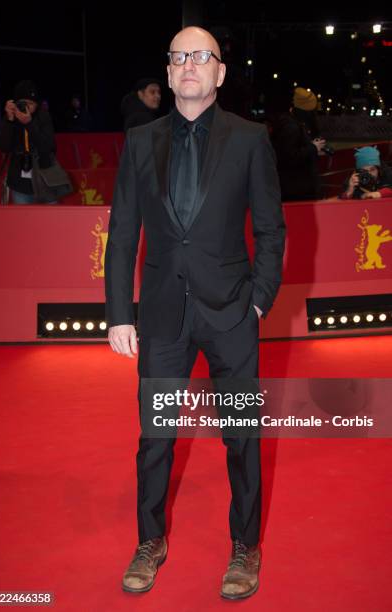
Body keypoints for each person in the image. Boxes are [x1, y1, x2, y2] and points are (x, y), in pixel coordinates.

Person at [105, 26, 285, 600]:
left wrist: (258, 299)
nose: (188, 65)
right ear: (168, 69)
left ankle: (245, 546)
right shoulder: (140, 140)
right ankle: (150, 540)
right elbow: (122, 232)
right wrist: (118, 314)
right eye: (179, 56)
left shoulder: (250, 138)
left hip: (232, 312)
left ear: (219, 72)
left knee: (241, 436)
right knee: (155, 436)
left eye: (200, 57)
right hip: (160, 316)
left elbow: (270, 229)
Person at [0, 80, 57, 204]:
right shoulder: (11, 118)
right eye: (22, 103)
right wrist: (9, 121)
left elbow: (48, 147)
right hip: (19, 183)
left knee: (50, 220)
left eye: (31, 103)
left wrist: (29, 124)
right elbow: (4, 146)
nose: (27, 107)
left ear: (37, 104)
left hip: (45, 180)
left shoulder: (43, 116)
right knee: (24, 221)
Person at [270, 86, 328, 201]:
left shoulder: (292, 123)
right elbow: (289, 156)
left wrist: (312, 147)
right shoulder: (291, 127)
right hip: (296, 190)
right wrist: (313, 148)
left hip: (295, 187)